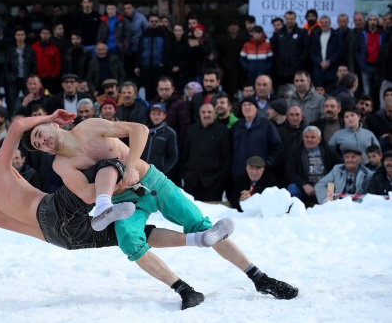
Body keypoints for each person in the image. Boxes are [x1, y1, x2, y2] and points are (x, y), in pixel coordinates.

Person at [0, 111, 232, 307]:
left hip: (61, 239)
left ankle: (195, 239)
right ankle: (103, 205)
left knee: (131, 236)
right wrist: (49, 115)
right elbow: (16, 127)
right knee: (107, 164)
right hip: (52, 209)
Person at [22, 111, 297, 306]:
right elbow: (83, 192)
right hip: (123, 202)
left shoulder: (90, 126)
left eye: (39, 133)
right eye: (37, 144)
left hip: (152, 180)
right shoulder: (61, 164)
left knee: (203, 225)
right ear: (44, 152)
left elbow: (139, 130)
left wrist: (129, 165)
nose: (42, 140)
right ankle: (184, 290)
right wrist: (116, 183)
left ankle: (260, 277)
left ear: (52, 125)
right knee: (129, 241)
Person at [183, 103, 231, 201]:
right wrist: (184, 175)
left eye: (209, 112)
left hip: (214, 181)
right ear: (199, 114)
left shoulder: (223, 131)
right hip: (192, 180)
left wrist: (222, 180)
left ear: (214, 114)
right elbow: (184, 154)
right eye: (203, 112)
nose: (206, 115)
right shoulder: (191, 130)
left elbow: (227, 158)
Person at [230, 96, 284, 179]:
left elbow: (277, 150)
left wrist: (267, 165)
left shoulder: (267, 125)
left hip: (261, 175)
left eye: (250, 104)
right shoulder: (236, 127)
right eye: (244, 105)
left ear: (256, 109)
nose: (247, 107)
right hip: (239, 174)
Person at [286, 126, 343, 203]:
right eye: (306, 137)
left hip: (326, 186)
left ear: (319, 139)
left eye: (313, 137)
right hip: (305, 186)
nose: (309, 140)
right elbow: (290, 172)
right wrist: (304, 185)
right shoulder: (295, 151)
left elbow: (341, 167)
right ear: (303, 138)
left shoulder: (329, 150)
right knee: (292, 189)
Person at [136, 14, 170, 100]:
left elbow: (167, 50)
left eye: (156, 21)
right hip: (146, 65)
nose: (154, 23)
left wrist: (163, 63)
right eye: (152, 21)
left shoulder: (163, 35)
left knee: (158, 87)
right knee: (147, 88)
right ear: (148, 22)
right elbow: (139, 50)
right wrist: (137, 65)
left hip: (158, 66)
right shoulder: (144, 34)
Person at [270, 11, 308, 87]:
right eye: (288, 19)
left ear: (295, 19)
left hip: (296, 70)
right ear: (285, 19)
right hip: (280, 70)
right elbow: (274, 50)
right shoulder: (278, 33)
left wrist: (299, 62)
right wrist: (278, 62)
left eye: (292, 19)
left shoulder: (302, 33)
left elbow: (306, 49)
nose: (290, 21)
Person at [4, 26, 37, 115]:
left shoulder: (30, 50)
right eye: (18, 35)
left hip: (26, 79)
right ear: (15, 36)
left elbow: (33, 66)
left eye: (22, 35)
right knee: (12, 101)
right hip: (13, 79)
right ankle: (12, 118)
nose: (20, 37)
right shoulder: (10, 50)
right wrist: (9, 77)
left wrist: (32, 79)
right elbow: (6, 66)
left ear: (25, 36)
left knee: (28, 100)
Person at [141, 103, 178, 175]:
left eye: (159, 114)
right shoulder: (144, 130)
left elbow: (174, 156)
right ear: (150, 115)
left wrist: (164, 170)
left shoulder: (170, 133)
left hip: (158, 173)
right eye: (154, 114)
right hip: (142, 171)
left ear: (164, 115)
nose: (156, 117)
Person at [309, 15, 344, 87]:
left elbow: (340, 51)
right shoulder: (315, 35)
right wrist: (320, 62)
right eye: (322, 22)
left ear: (330, 23)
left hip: (332, 69)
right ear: (320, 23)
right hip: (318, 70)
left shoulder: (336, 35)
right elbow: (311, 52)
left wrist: (329, 62)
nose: (324, 24)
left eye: (326, 22)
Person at [216, 20, 249, 95]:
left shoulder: (244, 39)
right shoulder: (222, 40)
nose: (233, 27)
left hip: (241, 70)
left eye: (235, 25)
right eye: (231, 25)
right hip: (227, 70)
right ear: (228, 28)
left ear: (238, 27)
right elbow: (219, 55)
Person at [31, 27, 61, 93]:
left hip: (49, 78)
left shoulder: (54, 49)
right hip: (36, 77)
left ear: (50, 35)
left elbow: (58, 64)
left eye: (47, 33)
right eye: (43, 33)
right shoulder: (33, 47)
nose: (45, 35)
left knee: (49, 97)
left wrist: (53, 76)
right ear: (40, 34)